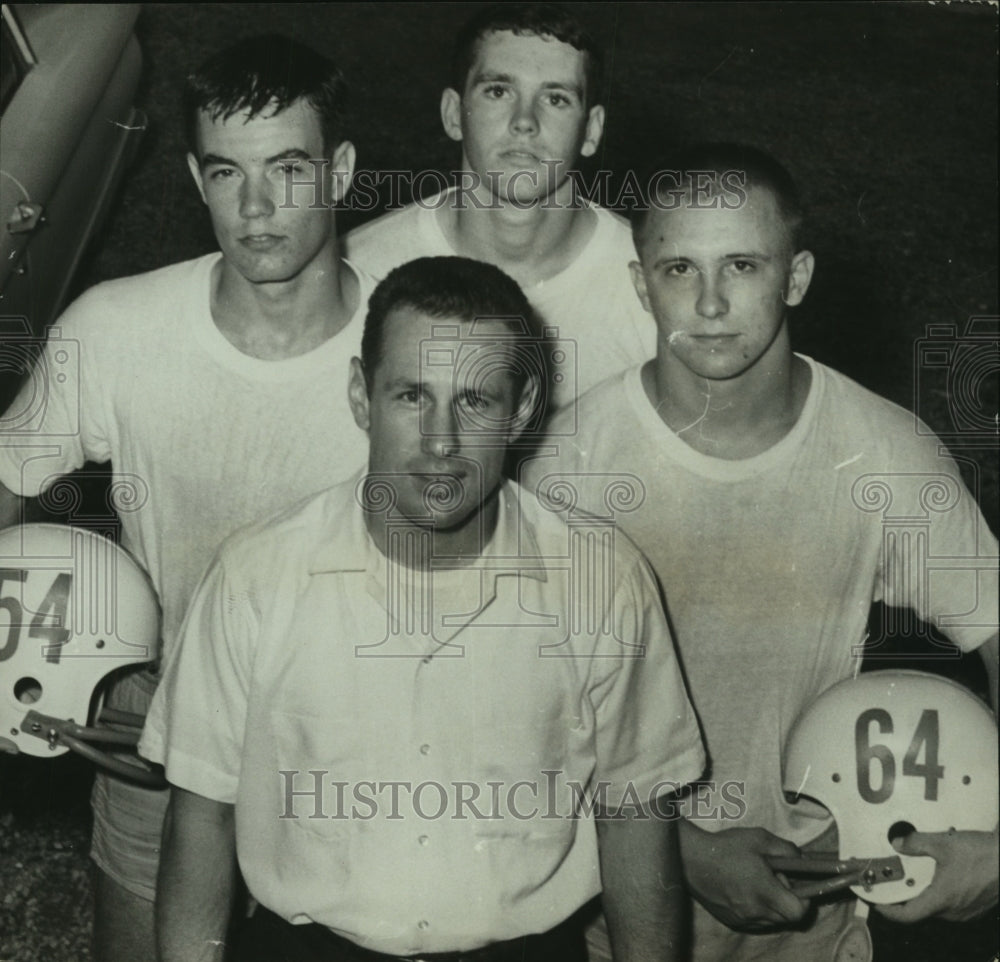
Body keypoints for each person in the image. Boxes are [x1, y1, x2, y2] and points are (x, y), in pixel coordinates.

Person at [139, 255, 707, 962]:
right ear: (360, 396)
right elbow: (202, 820)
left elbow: (635, 822)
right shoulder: (256, 576)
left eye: (475, 401)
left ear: (522, 409)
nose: (441, 441)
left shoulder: (601, 579)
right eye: (412, 396)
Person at [523, 143, 999, 961]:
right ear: (641, 284)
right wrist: (686, 849)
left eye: (742, 263)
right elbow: (512, 719)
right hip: (619, 925)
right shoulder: (567, 467)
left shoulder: (880, 453)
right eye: (678, 269)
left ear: (798, 276)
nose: (709, 302)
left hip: (820, 927)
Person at [0, 35, 374, 962]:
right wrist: (32, 662)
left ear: (342, 170)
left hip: (356, 760)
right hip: (154, 744)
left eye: (288, 169)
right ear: (194, 177)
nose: (254, 208)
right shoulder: (118, 329)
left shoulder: (414, 352)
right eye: (225, 173)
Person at [344, 2, 655, 412]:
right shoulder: (361, 271)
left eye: (556, 98)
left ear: (592, 130)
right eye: (498, 91)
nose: (524, 121)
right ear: (454, 114)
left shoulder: (650, 286)